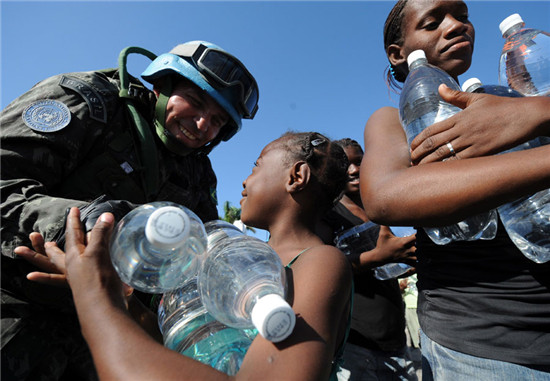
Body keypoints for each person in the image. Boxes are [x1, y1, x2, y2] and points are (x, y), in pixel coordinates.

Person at [0, 40, 259, 380]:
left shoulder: (197, 174)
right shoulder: (90, 101)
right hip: (16, 300)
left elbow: (202, 256)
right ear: (160, 86)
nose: (201, 126)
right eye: (195, 103)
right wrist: (86, 228)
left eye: (216, 121)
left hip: (100, 333)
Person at [16, 131, 353, 381]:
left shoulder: (319, 262)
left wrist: (96, 300)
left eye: (256, 165)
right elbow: (184, 347)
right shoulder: (238, 258)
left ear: (295, 177)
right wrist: (120, 298)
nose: (245, 182)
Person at [361, 0, 550, 379]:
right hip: (485, 347)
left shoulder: (514, 97)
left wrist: (535, 112)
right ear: (398, 54)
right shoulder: (392, 121)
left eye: (462, 16)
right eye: (432, 22)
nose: (455, 26)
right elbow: (386, 194)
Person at [320, 138, 418, 381]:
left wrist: (405, 261)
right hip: (356, 344)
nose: (353, 170)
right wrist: (377, 257)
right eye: (345, 164)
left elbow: (388, 265)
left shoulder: (380, 207)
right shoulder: (327, 214)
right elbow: (323, 271)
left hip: (395, 339)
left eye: (359, 162)